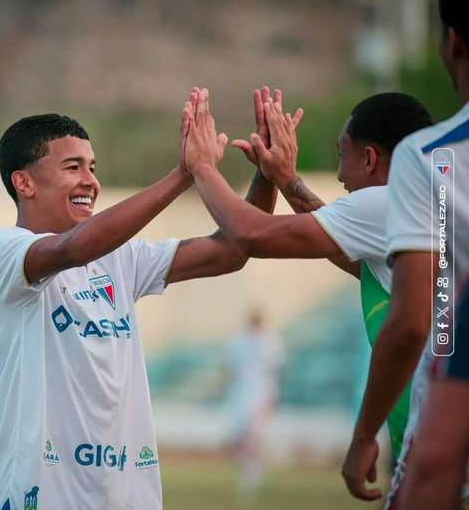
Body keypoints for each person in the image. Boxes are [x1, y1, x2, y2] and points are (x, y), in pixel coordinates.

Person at [0, 87, 297, 509]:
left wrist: (267, 174)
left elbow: (231, 251)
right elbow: (73, 248)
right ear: (24, 182)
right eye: (73, 167)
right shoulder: (0, 252)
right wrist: (183, 175)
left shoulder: (117, 258)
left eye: (92, 167)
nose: (90, 181)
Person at [179, 87, 433, 461]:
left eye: (341, 155)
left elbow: (251, 234)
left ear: (368, 158)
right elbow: (350, 256)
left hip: (438, 447)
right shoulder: (430, 202)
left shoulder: (386, 201)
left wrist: (201, 166)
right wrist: (282, 177)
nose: (340, 174)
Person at [342, 0, 469, 507]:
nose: (340, 174)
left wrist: (362, 436)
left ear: (452, 44)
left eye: (343, 157)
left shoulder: (432, 159)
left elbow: (416, 321)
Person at [225, 307, 283, 496]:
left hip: (260, 396)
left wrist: (270, 400)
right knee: (240, 438)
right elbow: (231, 368)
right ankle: (250, 470)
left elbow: (273, 371)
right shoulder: (239, 341)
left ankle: (252, 475)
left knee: (254, 438)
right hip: (241, 396)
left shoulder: (270, 341)